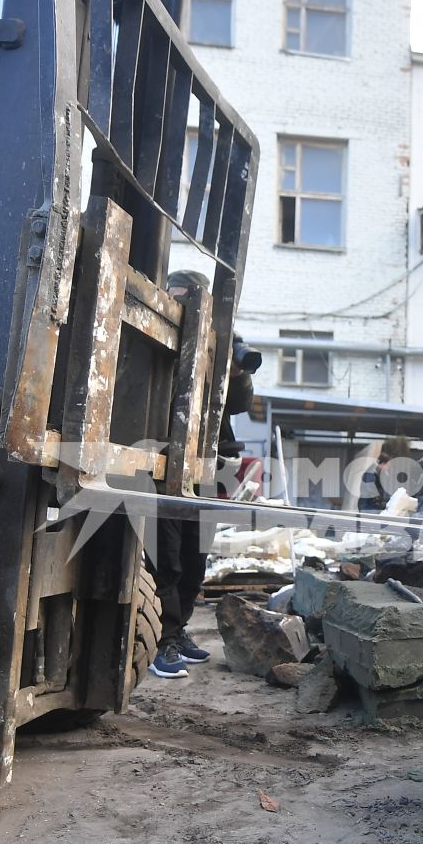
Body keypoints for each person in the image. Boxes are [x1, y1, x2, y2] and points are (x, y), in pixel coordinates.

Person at [150, 270, 257, 679]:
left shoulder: (216, 344)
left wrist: (234, 365)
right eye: (178, 297)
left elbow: (240, 403)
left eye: (193, 299)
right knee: (167, 558)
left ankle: (178, 630)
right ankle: (163, 639)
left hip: (208, 463)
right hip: (163, 460)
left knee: (196, 558)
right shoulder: (157, 331)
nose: (184, 306)